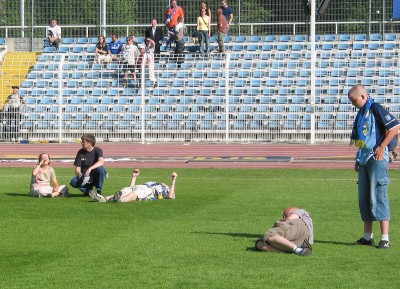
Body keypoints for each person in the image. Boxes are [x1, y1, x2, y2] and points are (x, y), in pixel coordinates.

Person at [348, 84, 400, 249]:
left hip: (376, 157)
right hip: (364, 158)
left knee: (379, 195)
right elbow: (361, 139)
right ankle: (367, 237)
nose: (353, 104)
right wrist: (358, 158)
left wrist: (383, 146)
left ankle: (385, 238)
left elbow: (395, 127)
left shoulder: (376, 108)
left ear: (363, 96)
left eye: (354, 101)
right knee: (364, 198)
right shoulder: (361, 113)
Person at [89, 169, 177, 203]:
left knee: (134, 195)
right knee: (124, 191)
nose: (164, 183)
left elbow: (170, 196)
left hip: (149, 191)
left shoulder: (166, 189)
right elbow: (132, 187)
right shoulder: (154, 183)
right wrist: (134, 177)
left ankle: (118, 200)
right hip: (140, 186)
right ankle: (103, 198)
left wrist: (173, 181)